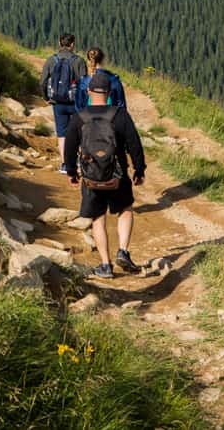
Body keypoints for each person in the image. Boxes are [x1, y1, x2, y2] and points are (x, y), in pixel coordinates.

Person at [64, 73, 146, 279]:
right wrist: (139, 169)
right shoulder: (120, 115)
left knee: (98, 218)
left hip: (92, 177)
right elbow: (134, 144)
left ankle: (105, 265)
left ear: (88, 92)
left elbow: (70, 147)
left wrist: (72, 172)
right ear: (109, 93)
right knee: (125, 210)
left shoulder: (79, 117)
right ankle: (123, 251)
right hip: (117, 175)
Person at [39, 34, 88, 173]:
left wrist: (46, 97)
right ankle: (80, 161)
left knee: (62, 134)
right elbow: (84, 84)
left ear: (59, 43)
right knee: (79, 131)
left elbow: (42, 81)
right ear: (72, 44)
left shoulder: (51, 60)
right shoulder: (78, 61)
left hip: (57, 102)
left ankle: (65, 164)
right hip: (75, 103)